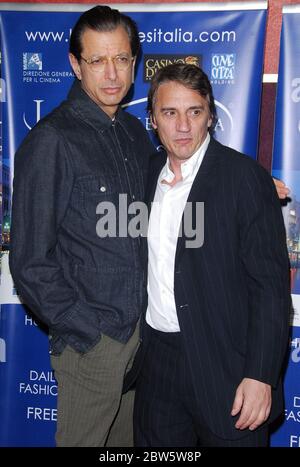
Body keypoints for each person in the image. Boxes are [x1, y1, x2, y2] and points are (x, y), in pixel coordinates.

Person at [9, 5, 154, 447]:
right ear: (75, 64)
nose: (112, 74)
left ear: (135, 62)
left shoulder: (133, 131)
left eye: (122, 59)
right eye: (97, 60)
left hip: (141, 339)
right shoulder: (52, 139)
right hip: (93, 345)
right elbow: (30, 263)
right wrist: (89, 333)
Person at [133, 63, 291, 447]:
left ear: (211, 117)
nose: (183, 126)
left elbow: (270, 289)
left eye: (195, 112)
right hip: (156, 367)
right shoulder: (145, 172)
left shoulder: (244, 179)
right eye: (170, 113)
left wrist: (260, 375)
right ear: (153, 119)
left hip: (228, 368)